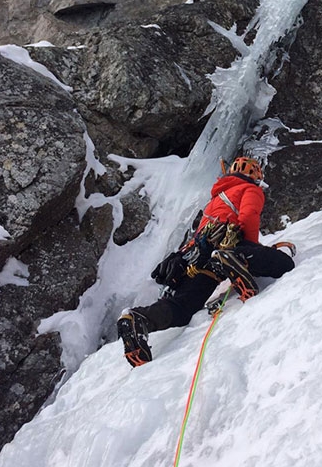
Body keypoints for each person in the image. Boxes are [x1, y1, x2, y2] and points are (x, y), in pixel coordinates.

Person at [117, 157, 295, 366]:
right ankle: (233, 258)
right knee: (284, 264)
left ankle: (140, 319)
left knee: (184, 306)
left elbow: (199, 235)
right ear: (254, 176)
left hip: (200, 259)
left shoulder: (216, 198)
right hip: (226, 249)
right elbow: (248, 217)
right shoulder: (250, 189)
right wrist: (250, 250)